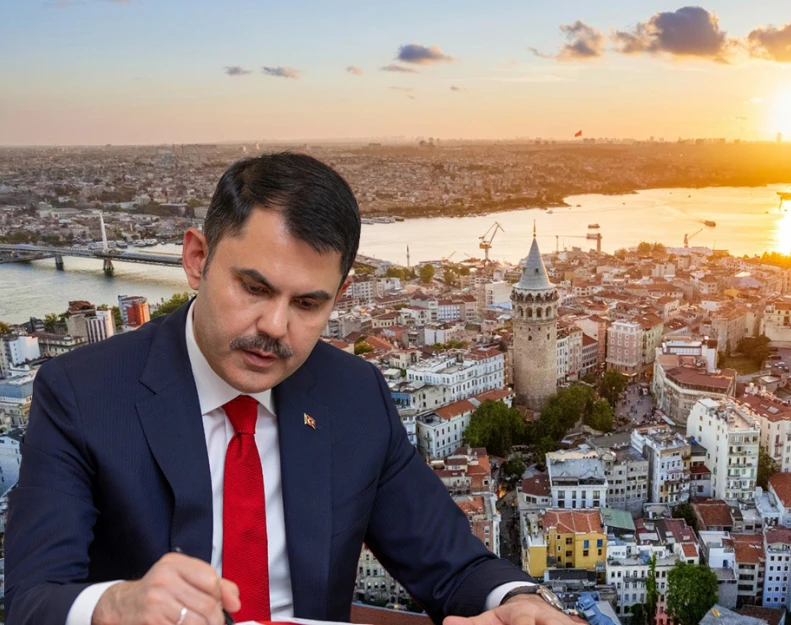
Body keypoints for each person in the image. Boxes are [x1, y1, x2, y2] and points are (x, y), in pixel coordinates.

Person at [4, 153, 573, 625]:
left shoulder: (354, 395)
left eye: (307, 303)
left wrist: (521, 602)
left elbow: (453, 564)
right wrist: (113, 607)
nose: (276, 327)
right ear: (197, 259)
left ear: (339, 297)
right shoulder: (83, 393)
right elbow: (31, 600)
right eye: (254, 288)